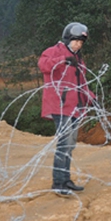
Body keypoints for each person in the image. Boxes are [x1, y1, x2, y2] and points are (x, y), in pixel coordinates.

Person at [38, 22, 95, 196]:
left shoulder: (78, 59)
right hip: (59, 105)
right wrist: (62, 60)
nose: (78, 44)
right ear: (68, 38)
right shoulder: (55, 51)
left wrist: (92, 98)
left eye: (81, 42)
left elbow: (81, 83)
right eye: (76, 41)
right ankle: (58, 183)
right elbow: (43, 65)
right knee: (64, 143)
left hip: (75, 107)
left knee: (70, 144)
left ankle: (66, 179)